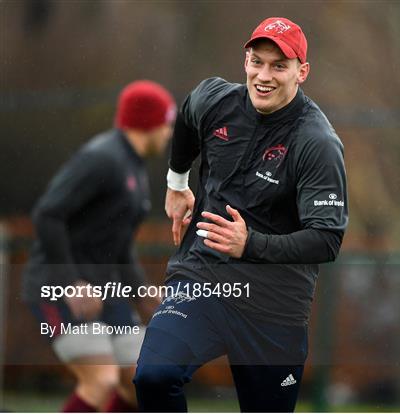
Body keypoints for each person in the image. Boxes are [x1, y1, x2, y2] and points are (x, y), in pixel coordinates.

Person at [134, 17, 348, 412]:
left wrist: (250, 244)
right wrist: (177, 183)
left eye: (278, 66)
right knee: (154, 376)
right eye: (256, 62)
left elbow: (327, 239)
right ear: (245, 61)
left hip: (274, 307)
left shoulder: (316, 142)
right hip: (202, 279)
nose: (264, 76)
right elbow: (187, 115)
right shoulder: (215, 100)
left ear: (302, 72)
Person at [21, 80, 176, 412]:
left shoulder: (134, 167)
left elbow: (119, 246)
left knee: (143, 380)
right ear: (148, 122)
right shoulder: (101, 158)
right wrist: (70, 283)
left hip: (106, 292)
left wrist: (140, 292)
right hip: (58, 289)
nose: (169, 132)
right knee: (101, 381)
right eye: (167, 122)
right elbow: (48, 215)